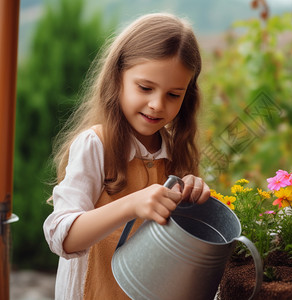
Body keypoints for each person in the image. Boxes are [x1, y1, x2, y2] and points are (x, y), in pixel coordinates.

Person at [43, 13, 210, 300]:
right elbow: (63, 237)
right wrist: (132, 203)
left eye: (174, 95)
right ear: (117, 77)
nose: (157, 105)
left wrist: (193, 200)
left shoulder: (175, 152)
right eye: (145, 88)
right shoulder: (95, 146)